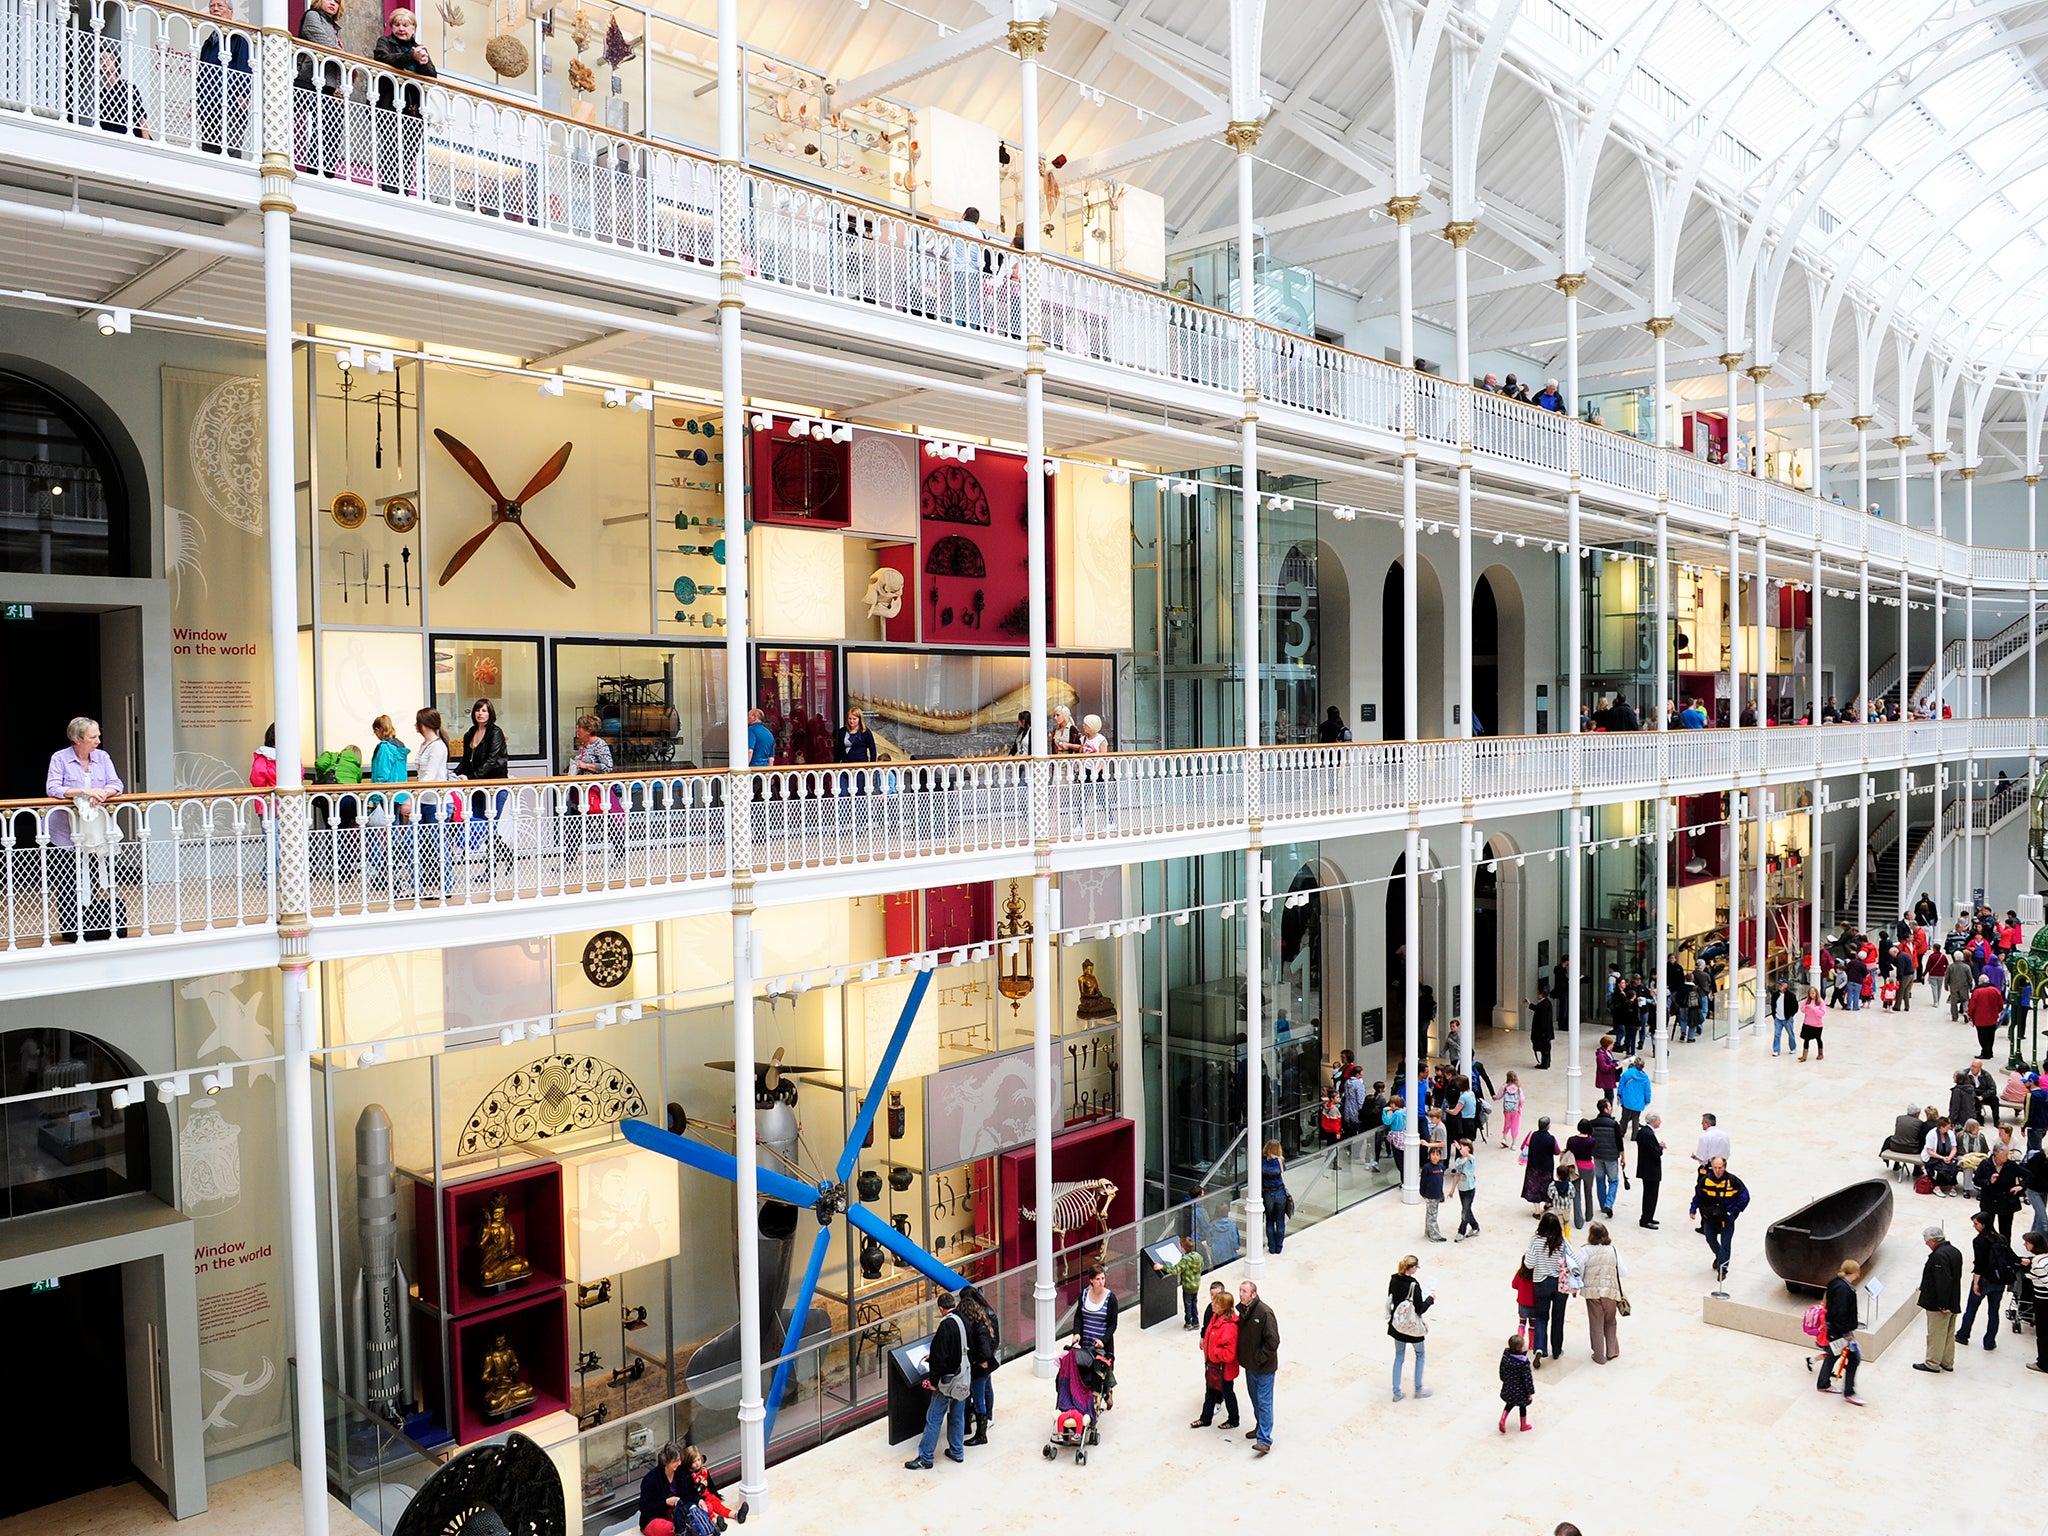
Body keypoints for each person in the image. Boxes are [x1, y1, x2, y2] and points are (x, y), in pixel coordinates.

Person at [904, 1290, 970, 1469]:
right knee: (957, 1416)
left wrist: (933, 1382)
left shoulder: (945, 1325)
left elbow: (941, 1357)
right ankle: (957, 1451)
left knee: (933, 1418)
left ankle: (925, 1458)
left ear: (941, 1309)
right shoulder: (963, 1320)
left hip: (947, 1381)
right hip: (963, 1377)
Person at [198, 0, 253, 157]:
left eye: (220, 6)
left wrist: (243, 94)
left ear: (231, 12)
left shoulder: (238, 37)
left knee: (230, 151)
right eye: (212, 6)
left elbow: (244, 66)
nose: (215, 9)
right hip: (209, 105)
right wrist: (197, 99)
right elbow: (202, 74)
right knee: (210, 151)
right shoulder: (209, 42)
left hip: (231, 104)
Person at [1957, 1209, 2012, 1353]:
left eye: (1976, 1224)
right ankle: (1989, 1342)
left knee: (1972, 1308)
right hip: (1999, 1281)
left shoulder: (1979, 1241)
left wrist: (1976, 1283)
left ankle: (1963, 1334)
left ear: (1983, 1224)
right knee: (1993, 1312)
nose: (1974, 1226)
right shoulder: (2002, 1238)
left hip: (1984, 1280)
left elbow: (1979, 1264)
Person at [1234, 1280, 1279, 1455]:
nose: (1241, 1294)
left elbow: (1273, 1341)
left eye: (1245, 1291)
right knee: (1255, 1399)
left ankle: (1264, 1440)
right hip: (1250, 1365)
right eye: (1240, 1291)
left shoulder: (1264, 1313)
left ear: (1253, 1294)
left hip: (1263, 1368)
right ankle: (1260, 1427)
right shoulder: (1244, 1312)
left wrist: (1259, 1358)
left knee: (1264, 1402)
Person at [1911, 1225, 1963, 1374]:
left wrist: (1943, 1304)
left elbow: (1943, 1281)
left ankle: (1932, 1363)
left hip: (1940, 1304)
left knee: (1936, 1333)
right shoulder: (1954, 1251)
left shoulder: (1939, 1256)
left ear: (1933, 1241)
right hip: (1953, 1301)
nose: (1926, 1244)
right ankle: (1947, 1361)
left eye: (1927, 1241)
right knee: (1948, 1333)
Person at [1815, 1259, 1866, 1406]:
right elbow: (1841, 1312)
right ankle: (1849, 1392)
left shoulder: (1835, 1283)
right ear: (1856, 1273)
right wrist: (1846, 1333)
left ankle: (1823, 1383)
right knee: (1855, 1358)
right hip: (1842, 1332)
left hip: (1833, 1330)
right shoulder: (1845, 1289)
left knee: (1832, 1354)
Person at [1690, 1154, 1749, 1283]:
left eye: (1720, 1167)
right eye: (1715, 1167)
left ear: (1725, 1167)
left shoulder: (1733, 1181)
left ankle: (1723, 1269)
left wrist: (1733, 1212)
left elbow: (1745, 1197)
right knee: (1710, 1239)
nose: (1717, 1170)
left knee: (1726, 1244)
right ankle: (1719, 1256)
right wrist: (1693, 1209)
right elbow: (1698, 1196)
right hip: (1710, 1219)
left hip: (1726, 1220)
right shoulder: (1705, 1181)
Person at [1523, 1212, 1572, 1362]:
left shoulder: (1536, 1241)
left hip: (1541, 1283)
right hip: (1560, 1284)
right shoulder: (1562, 1242)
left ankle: (1539, 1348)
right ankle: (1556, 1350)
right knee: (1558, 1317)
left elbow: (1529, 1264)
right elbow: (1572, 1260)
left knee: (1541, 1317)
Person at [1386, 1254, 1434, 1400]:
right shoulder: (1414, 1285)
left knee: (1399, 1356)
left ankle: (1396, 1392)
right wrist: (1430, 1299)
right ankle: (1418, 1390)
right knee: (1420, 1355)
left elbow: (1391, 1299)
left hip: (1398, 1325)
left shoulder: (1394, 1279)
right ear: (1412, 1268)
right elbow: (1420, 1309)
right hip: (1412, 1328)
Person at [1578, 1221, 1626, 1364]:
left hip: (1592, 1293)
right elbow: (1623, 1271)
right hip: (1610, 1291)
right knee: (1610, 1321)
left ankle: (1599, 1355)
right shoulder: (1613, 1250)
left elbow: (1580, 1268)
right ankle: (1612, 1351)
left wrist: (1579, 1283)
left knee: (1596, 1323)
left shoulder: (1585, 1250)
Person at [957, 1284, 999, 1445]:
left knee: (980, 1395)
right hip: (981, 1365)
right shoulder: (981, 1319)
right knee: (979, 1393)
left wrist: (981, 1360)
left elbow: (989, 1344)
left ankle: (983, 1428)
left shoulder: (980, 1324)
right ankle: (976, 1425)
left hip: (981, 1367)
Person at [1192, 1291, 1240, 1428]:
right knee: (1210, 1391)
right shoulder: (1215, 1317)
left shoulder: (1229, 1326)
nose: (1212, 1304)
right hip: (1213, 1365)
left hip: (1223, 1368)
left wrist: (1214, 1353)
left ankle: (1233, 1420)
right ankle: (1205, 1418)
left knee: (1227, 1392)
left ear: (1224, 1307)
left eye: (1216, 1303)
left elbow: (1229, 1353)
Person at [637, 1441, 689, 1534]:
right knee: (666, 1528)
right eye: (676, 1461)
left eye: (680, 1460)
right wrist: (666, 1502)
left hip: (675, 1513)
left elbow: (686, 1495)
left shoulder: (680, 1472)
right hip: (654, 1518)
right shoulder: (651, 1479)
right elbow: (644, 1507)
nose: (680, 1463)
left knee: (702, 1508)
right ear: (666, 1461)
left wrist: (698, 1500)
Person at [1976, 1142, 2023, 1243]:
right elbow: (1976, 1180)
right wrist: (1988, 1182)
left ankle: (2005, 1253)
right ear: (1997, 1154)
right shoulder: (1985, 1164)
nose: (2007, 1157)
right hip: (1989, 1201)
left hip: (2006, 1202)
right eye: (2005, 1154)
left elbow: (2028, 1175)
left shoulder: (2011, 1165)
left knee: (2005, 1231)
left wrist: (2021, 1186)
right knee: (1986, 1231)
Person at [1155, 1234, 1204, 1329]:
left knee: (1188, 1305)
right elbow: (1202, 1264)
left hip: (1188, 1286)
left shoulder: (1185, 1260)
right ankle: (1196, 1322)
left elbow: (1175, 1270)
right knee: (1194, 1303)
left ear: (1183, 1248)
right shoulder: (1198, 1256)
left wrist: (1162, 1267)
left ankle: (1188, 1323)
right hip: (1196, 1285)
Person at [1589, 1100, 1624, 1218]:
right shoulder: (1614, 1124)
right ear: (1605, 1109)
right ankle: (1609, 1203)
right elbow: (1620, 1142)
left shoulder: (1592, 1123)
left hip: (1597, 1156)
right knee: (1613, 1181)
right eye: (1609, 1106)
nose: (1611, 1108)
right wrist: (1623, 1157)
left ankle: (1603, 1205)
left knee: (1600, 1180)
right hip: (1611, 1157)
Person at [1075, 1262, 1118, 1357]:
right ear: (1091, 1280)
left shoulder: (1111, 1298)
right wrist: (1077, 1333)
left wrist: (1103, 1340)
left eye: (1103, 1278)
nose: (1101, 1282)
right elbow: (1078, 1317)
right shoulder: (1084, 1294)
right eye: (1097, 1279)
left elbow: (1113, 1324)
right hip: (1085, 1343)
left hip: (1102, 1347)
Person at [1497, 1332, 1536, 1433]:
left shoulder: (1506, 1357)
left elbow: (1501, 1369)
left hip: (1509, 1386)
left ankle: (1503, 1419)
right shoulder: (1523, 1362)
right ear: (1521, 1348)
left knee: (1509, 1403)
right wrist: (1530, 1392)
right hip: (1521, 1390)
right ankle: (1523, 1425)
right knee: (1522, 1407)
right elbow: (1527, 1378)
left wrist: (1504, 1379)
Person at [1633, 1112, 1665, 1228]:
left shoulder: (1643, 1132)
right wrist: (1660, 1147)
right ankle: (1646, 1219)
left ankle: (1648, 1217)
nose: (1660, 1122)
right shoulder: (1648, 1134)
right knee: (1651, 1196)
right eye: (1659, 1120)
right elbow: (1655, 1153)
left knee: (1649, 1195)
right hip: (1651, 1170)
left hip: (1646, 1168)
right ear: (1653, 1121)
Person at [1521, 1115, 1559, 1210]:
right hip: (1547, 1167)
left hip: (1533, 1165)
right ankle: (1548, 1203)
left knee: (1534, 1186)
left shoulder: (1532, 1135)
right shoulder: (1551, 1139)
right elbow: (1557, 1151)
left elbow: (1523, 1146)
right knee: (1546, 1186)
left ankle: (1537, 1211)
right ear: (1548, 1126)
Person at [1969, 972, 2007, 1059]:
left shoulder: (1977, 992)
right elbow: (2000, 1004)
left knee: (1982, 1036)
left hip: (1980, 1019)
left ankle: (1985, 1052)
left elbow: (1972, 1006)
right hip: (1992, 1018)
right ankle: (1989, 1051)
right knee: (1991, 1035)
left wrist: (1970, 1015)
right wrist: (1997, 1012)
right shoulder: (1995, 990)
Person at [1260, 1138, 1288, 1255]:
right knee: (1280, 1220)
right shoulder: (1280, 1161)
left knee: (1270, 1219)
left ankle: (1271, 1246)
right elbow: (1283, 1172)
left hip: (1268, 1193)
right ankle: (1279, 1247)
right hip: (1280, 1191)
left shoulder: (1262, 1161)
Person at [1452, 1139, 1480, 1239]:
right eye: (1461, 1146)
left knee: (1465, 1211)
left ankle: (1461, 1231)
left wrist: (1459, 1147)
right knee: (1467, 1209)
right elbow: (1457, 1175)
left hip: (1470, 1188)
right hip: (1461, 1189)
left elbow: (1465, 1154)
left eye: (1464, 1146)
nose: (1461, 1148)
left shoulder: (1471, 1158)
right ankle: (1475, 1227)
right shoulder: (1458, 1161)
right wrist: (1452, 1189)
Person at [1616, 1056, 1651, 1138]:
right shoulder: (1645, 1077)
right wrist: (1647, 1100)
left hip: (1627, 1099)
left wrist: (1619, 1094)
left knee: (1624, 1117)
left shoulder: (1627, 1073)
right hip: (1639, 1101)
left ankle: (1621, 1133)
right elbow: (1647, 1091)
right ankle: (1634, 1136)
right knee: (1636, 1118)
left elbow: (1621, 1085)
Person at [1419, 1140, 1448, 1242]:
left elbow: (1440, 1181)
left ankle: (1428, 1232)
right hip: (1430, 1195)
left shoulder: (1441, 1167)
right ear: (1429, 1155)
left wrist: (1441, 1194)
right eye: (1433, 1154)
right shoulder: (1427, 1168)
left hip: (1437, 1194)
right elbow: (1423, 1182)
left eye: (1437, 1154)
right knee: (1432, 1216)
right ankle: (1435, 1236)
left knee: (1430, 1215)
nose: (1435, 1157)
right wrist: (1422, 1193)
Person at [1527, 981, 1554, 1069]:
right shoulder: (1546, 1003)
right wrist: (1530, 1005)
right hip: (1546, 1032)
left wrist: (1541, 1032)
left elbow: (1542, 1019)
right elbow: (1538, 1010)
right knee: (1546, 1048)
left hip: (1543, 1032)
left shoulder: (1543, 1005)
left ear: (1541, 994)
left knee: (1544, 1049)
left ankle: (1544, 1064)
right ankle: (1546, 1063)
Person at [1797, 985, 1827, 1061]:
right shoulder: (1807, 1000)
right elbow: (1802, 1010)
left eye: (1813, 993)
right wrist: (1806, 1008)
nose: (1812, 995)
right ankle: (1804, 1055)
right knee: (1806, 1039)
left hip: (1817, 1024)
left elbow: (1822, 1013)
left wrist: (1813, 1009)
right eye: (1810, 993)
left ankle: (1820, 1053)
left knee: (1818, 1039)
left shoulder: (1820, 1002)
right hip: (1807, 1023)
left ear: (1816, 993)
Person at [1769, 981, 1797, 1056]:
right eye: (1779, 984)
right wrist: (1774, 1016)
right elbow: (1773, 1006)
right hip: (1778, 1018)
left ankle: (1793, 1048)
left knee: (1790, 1033)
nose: (1780, 986)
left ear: (1786, 985)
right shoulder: (1775, 995)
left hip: (1787, 1018)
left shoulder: (1791, 995)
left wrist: (1790, 1015)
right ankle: (1776, 1050)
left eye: (1781, 985)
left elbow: (1795, 1007)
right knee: (1777, 1034)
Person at [1499, 1070, 1525, 1151]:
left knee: (1507, 1123)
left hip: (1507, 1110)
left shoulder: (1505, 1086)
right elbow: (1522, 1099)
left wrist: (1494, 1097)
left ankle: (1504, 1138)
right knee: (1515, 1125)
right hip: (1516, 1110)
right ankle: (1513, 1143)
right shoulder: (1518, 1088)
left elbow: (1498, 1095)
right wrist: (1520, 1105)